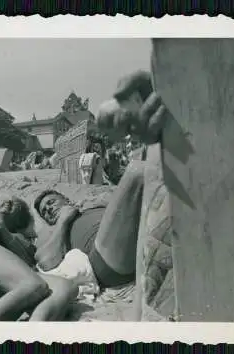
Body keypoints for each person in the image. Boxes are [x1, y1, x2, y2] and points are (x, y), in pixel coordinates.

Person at [33, 78, 167, 289]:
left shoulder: (90, 204)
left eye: (50, 201)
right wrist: (63, 221)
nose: (48, 208)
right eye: (45, 211)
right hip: (104, 262)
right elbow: (46, 261)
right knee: (137, 172)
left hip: (134, 237)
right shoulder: (51, 233)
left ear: (65, 198)